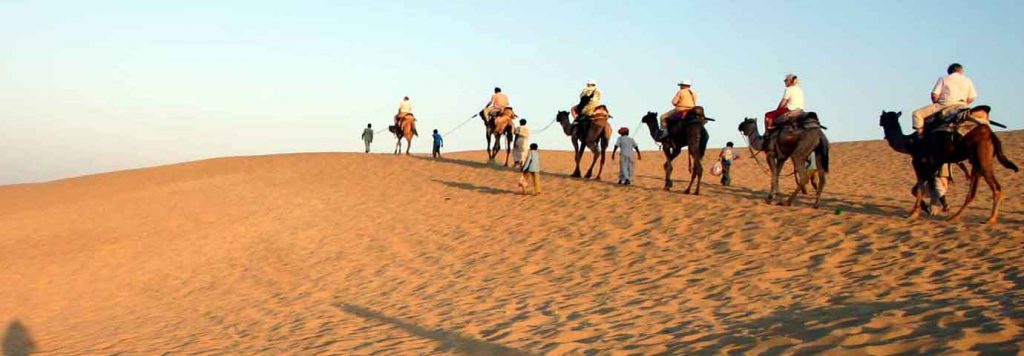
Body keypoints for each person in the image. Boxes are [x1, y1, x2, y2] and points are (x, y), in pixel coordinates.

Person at [912, 63, 978, 138]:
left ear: (949, 71)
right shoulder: (967, 80)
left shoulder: (944, 78)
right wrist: (964, 104)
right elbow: (972, 97)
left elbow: (934, 95)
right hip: (962, 105)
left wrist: (936, 102)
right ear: (961, 71)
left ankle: (920, 136)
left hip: (944, 105)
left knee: (917, 114)